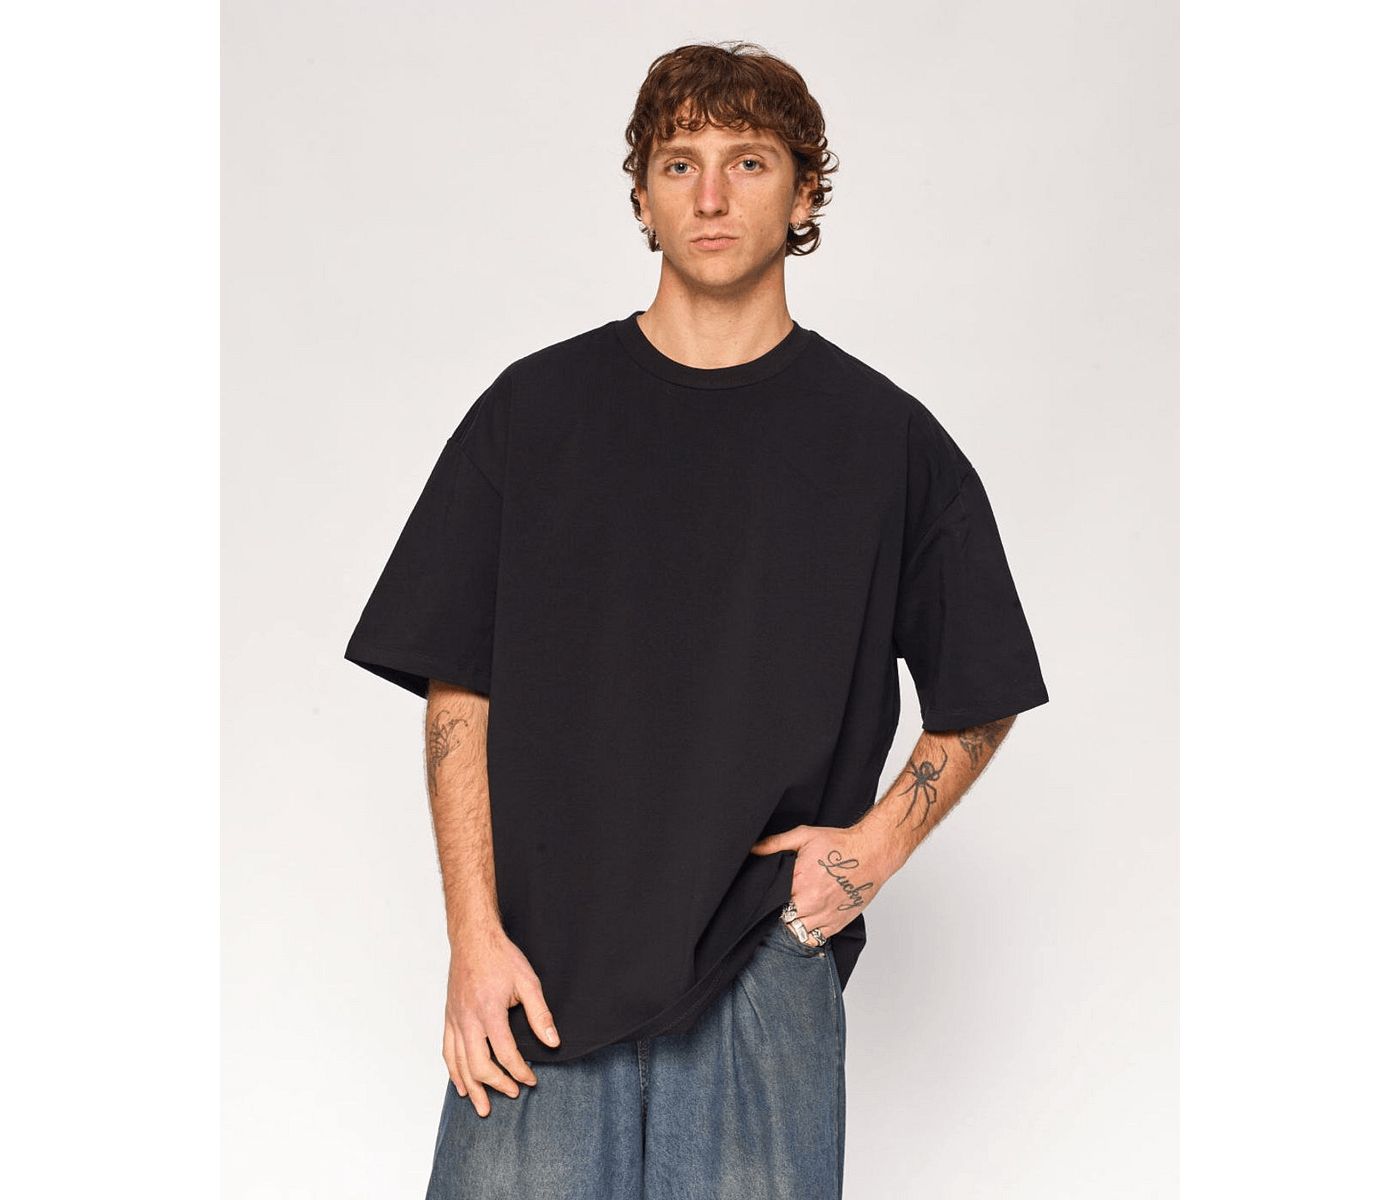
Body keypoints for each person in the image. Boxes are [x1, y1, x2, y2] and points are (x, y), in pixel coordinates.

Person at [345, 40, 1048, 1200]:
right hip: (535, 971)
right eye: (679, 163)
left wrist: (869, 855)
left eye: (748, 161)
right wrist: (473, 939)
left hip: (759, 966)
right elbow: (455, 689)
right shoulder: (533, 414)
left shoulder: (883, 442)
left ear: (804, 194)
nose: (711, 195)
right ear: (641, 197)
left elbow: (980, 691)